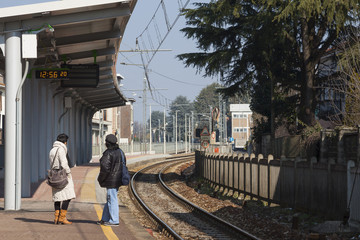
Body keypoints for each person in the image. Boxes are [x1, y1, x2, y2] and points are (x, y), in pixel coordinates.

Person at [97, 134, 126, 226]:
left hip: (111, 180)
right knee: (110, 199)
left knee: (112, 199)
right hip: (118, 179)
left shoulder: (108, 153)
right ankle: (105, 219)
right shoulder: (120, 151)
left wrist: (100, 179)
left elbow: (105, 169)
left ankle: (114, 221)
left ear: (107, 143)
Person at [49, 133, 76, 225]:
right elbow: (64, 164)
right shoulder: (61, 150)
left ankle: (56, 217)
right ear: (64, 142)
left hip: (54, 175)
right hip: (62, 175)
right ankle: (62, 218)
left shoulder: (52, 150)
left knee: (57, 197)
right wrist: (68, 173)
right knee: (67, 196)